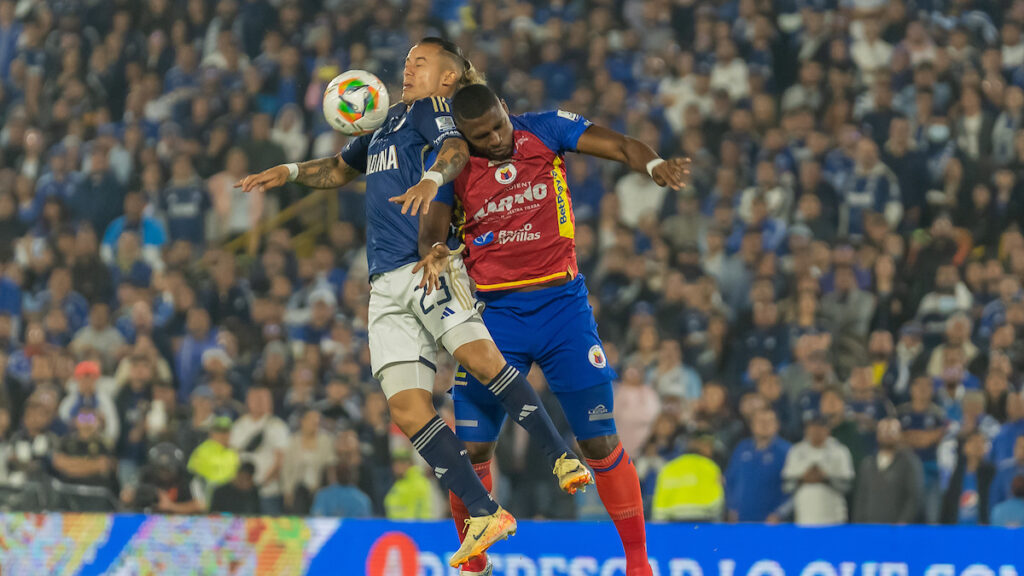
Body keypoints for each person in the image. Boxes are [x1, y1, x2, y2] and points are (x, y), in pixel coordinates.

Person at [237, 37, 590, 569]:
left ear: (448, 78)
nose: (407, 70)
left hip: (428, 265)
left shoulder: (435, 112)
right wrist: (286, 173)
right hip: (384, 284)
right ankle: (483, 511)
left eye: (419, 64)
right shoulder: (385, 123)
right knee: (405, 407)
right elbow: (338, 169)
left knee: (480, 359)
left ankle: (561, 455)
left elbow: (452, 154)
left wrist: (429, 179)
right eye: (406, 63)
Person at [416, 82, 687, 576]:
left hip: (563, 312)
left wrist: (653, 165)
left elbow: (622, 145)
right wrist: (434, 248)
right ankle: (474, 564)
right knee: (473, 448)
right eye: (483, 135)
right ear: (464, 135)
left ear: (504, 107)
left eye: (499, 124)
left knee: (599, 442)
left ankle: (638, 565)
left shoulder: (545, 128)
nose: (497, 138)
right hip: (494, 319)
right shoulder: (453, 160)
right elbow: (431, 227)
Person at [782, 414, 855, 525]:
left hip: (834, 518)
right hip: (804, 518)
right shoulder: (796, 451)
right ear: (806, 429)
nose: (816, 430)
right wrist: (802, 478)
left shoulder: (840, 451)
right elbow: (786, 486)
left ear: (828, 429)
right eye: (812, 426)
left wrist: (826, 478)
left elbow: (848, 486)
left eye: (821, 426)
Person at [852, 418, 924, 524]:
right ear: (877, 434)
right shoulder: (868, 463)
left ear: (900, 434)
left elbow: (914, 497)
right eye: (884, 431)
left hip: (897, 530)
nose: (887, 435)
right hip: (870, 528)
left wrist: (903, 522)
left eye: (892, 431)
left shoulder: (910, 462)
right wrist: (858, 524)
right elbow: (861, 498)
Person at [725, 409, 790, 522]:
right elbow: (729, 480)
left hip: (771, 523)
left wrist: (779, 513)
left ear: (777, 425)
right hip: (741, 521)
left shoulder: (787, 451)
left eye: (769, 421)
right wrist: (731, 508)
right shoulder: (742, 448)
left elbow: (792, 489)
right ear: (752, 425)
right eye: (760, 421)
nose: (765, 425)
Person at [651, 435, 724, 522]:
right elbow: (717, 500)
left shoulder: (668, 468)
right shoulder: (709, 466)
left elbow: (659, 505)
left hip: (672, 524)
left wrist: (659, 524)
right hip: (702, 521)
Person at [941, 431, 995, 525]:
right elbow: (949, 504)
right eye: (973, 441)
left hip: (981, 529)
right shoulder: (956, 475)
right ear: (965, 447)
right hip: (958, 530)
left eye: (981, 442)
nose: (977, 445)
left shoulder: (990, 473)